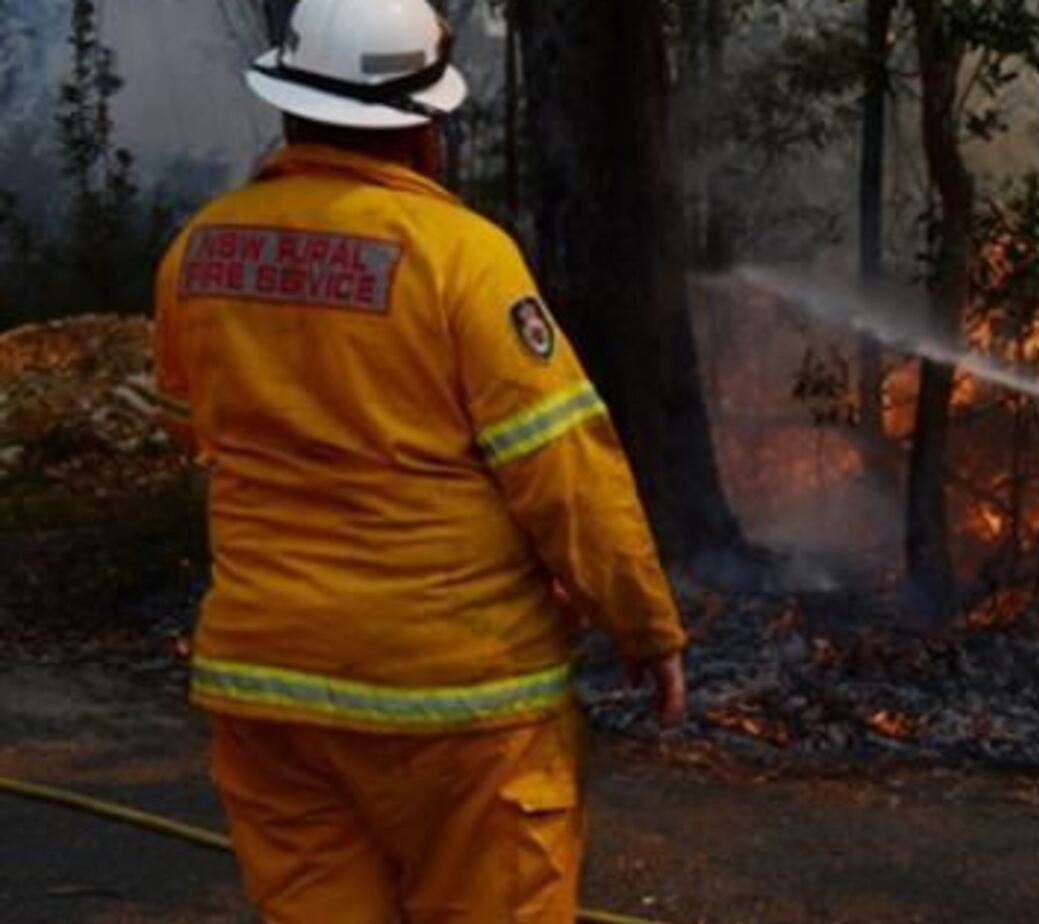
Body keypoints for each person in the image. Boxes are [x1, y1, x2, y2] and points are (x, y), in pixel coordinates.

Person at [149, 1, 688, 920]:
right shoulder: (462, 257)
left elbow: (193, 430)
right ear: (420, 128)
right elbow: (564, 470)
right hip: (463, 702)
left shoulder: (198, 253)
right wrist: (644, 626)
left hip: (269, 689)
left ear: (291, 106)